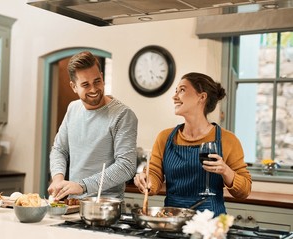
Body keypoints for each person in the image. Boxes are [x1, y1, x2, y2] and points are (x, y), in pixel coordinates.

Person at [134, 72, 251, 216]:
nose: (175, 96)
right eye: (176, 91)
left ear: (202, 97)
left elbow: (244, 191)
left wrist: (226, 171)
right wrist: (146, 181)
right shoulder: (165, 137)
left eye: (182, 90)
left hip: (210, 224)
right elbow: (154, 176)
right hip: (172, 221)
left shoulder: (228, 140)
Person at [48, 51, 138, 201]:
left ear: (102, 77)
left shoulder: (123, 115)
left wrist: (83, 186)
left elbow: (126, 166)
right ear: (74, 87)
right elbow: (59, 149)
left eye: (97, 81)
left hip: (106, 207)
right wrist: (57, 178)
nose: (94, 89)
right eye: (85, 84)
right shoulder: (73, 109)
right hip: (74, 203)